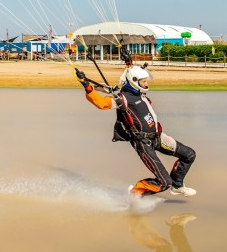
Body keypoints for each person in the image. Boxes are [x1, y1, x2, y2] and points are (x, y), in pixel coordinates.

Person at [76, 63, 197, 197]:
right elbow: (101, 103)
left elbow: (130, 74)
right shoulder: (123, 99)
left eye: (146, 81)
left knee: (189, 155)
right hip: (143, 143)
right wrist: (87, 86)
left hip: (158, 137)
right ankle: (135, 193)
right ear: (134, 82)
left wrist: (129, 64)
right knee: (164, 183)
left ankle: (177, 185)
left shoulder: (139, 92)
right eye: (143, 81)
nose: (146, 84)